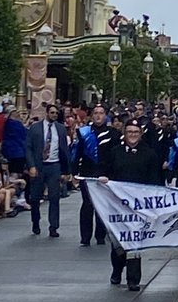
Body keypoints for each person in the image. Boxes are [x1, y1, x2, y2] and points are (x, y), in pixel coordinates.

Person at [98, 119, 162, 291]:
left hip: (139, 206)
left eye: (136, 132)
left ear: (140, 134)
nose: (132, 135)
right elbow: (105, 171)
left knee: (134, 241)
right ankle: (117, 269)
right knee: (118, 241)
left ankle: (133, 278)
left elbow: (155, 180)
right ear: (124, 134)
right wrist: (104, 179)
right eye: (129, 132)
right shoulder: (114, 152)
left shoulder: (149, 154)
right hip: (118, 205)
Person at [73, 104, 116, 247]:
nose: (98, 116)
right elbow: (77, 153)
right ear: (92, 116)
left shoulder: (113, 133)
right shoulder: (83, 132)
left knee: (102, 205)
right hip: (87, 173)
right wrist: (73, 172)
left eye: (101, 113)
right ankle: (85, 237)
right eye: (96, 113)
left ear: (105, 115)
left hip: (105, 174)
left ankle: (100, 236)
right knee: (87, 204)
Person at [25, 103, 70, 237]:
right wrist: (31, 166)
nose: (54, 115)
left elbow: (64, 150)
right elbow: (28, 148)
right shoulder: (35, 128)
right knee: (35, 197)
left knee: (54, 197)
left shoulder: (61, 129)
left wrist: (66, 171)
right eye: (52, 113)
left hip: (54, 165)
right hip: (39, 165)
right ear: (47, 113)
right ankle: (35, 222)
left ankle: (53, 226)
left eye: (56, 113)